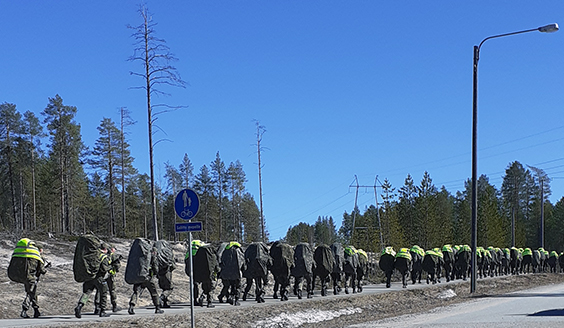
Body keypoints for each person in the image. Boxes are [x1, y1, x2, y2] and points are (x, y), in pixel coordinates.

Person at [8, 238, 48, 318]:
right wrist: (44, 267)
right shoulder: (36, 256)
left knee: (32, 290)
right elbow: (42, 270)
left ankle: (36, 311)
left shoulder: (23, 253)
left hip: (15, 275)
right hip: (28, 277)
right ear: (39, 250)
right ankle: (24, 310)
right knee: (31, 291)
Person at [74, 243, 111, 318]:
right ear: (105, 249)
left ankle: (79, 306)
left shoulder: (92, 255)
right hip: (99, 277)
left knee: (87, 293)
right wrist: (109, 267)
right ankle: (102, 311)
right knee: (103, 293)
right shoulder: (103, 257)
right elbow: (104, 269)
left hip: (90, 277)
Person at [128, 246, 163, 314]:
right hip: (148, 278)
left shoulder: (142, 257)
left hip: (140, 277)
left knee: (136, 292)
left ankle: (131, 306)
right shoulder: (153, 258)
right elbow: (155, 268)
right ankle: (157, 307)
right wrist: (155, 273)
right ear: (154, 252)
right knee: (154, 293)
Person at [94, 244, 122, 313]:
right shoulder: (112, 255)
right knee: (112, 290)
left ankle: (97, 307)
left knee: (99, 291)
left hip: (101, 275)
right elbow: (117, 265)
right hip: (109, 274)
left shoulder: (101, 254)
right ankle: (114, 306)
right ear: (112, 249)